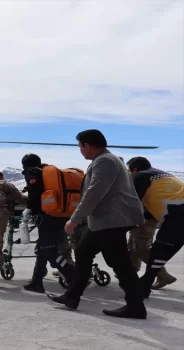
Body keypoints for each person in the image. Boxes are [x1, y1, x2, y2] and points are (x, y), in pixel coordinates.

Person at [47, 129, 146, 319]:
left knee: (120, 263)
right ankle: (72, 296)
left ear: (87, 145)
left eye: (80, 147)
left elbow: (95, 192)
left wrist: (75, 218)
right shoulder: (105, 160)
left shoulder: (105, 161)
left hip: (112, 220)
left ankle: (136, 306)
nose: (80, 151)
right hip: (104, 221)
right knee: (83, 251)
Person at [126, 156, 184, 297]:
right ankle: (141, 288)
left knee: (155, 254)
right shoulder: (162, 175)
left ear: (135, 169)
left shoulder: (140, 176)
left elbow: (132, 202)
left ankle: (138, 295)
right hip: (176, 215)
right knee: (156, 254)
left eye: (130, 171)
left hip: (178, 216)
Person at [20, 154, 76, 293]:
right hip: (61, 214)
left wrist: (29, 208)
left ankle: (74, 276)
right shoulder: (47, 172)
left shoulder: (32, 171)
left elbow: (34, 191)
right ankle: (36, 282)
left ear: (24, 165)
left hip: (47, 216)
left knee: (48, 249)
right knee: (42, 249)